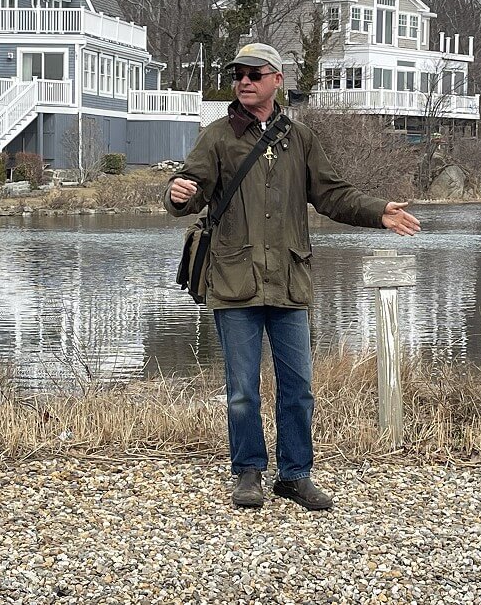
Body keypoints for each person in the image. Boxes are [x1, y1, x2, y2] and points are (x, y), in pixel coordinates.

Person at [164, 43, 421, 509]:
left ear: (276, 79)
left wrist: (377, 211)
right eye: (238, 74)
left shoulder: (300, 138)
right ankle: (247, 472)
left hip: (289, 282)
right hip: (234, 281)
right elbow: (189, 192)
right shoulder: (216, 137)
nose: (244, 81)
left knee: (298, 386)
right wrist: (179, 193)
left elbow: (333, 195)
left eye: (254, 74)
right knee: (242, 390)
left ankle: (294, 475)